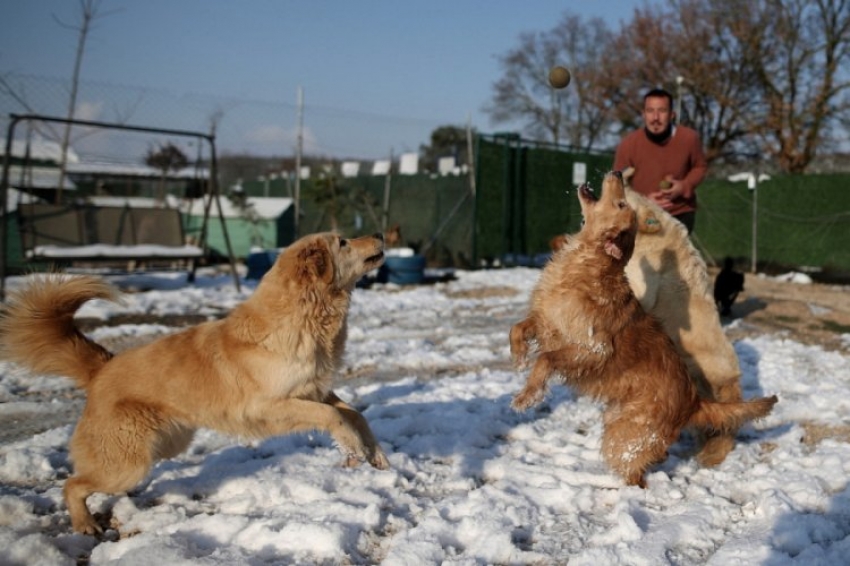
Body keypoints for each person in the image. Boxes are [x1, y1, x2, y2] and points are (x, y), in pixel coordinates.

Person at [614, 88, 707, 233]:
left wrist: (684, 186)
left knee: (675, 255)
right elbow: (617, 185)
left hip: (680, 213)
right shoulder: (628, 144)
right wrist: (644, 201)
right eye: (650, 111)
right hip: (643, 215)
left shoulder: (689, 138)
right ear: (643, 114)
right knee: (648, 254)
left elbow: (700, 167)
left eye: (662, 111)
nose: (655, 117)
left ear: (672, 115)